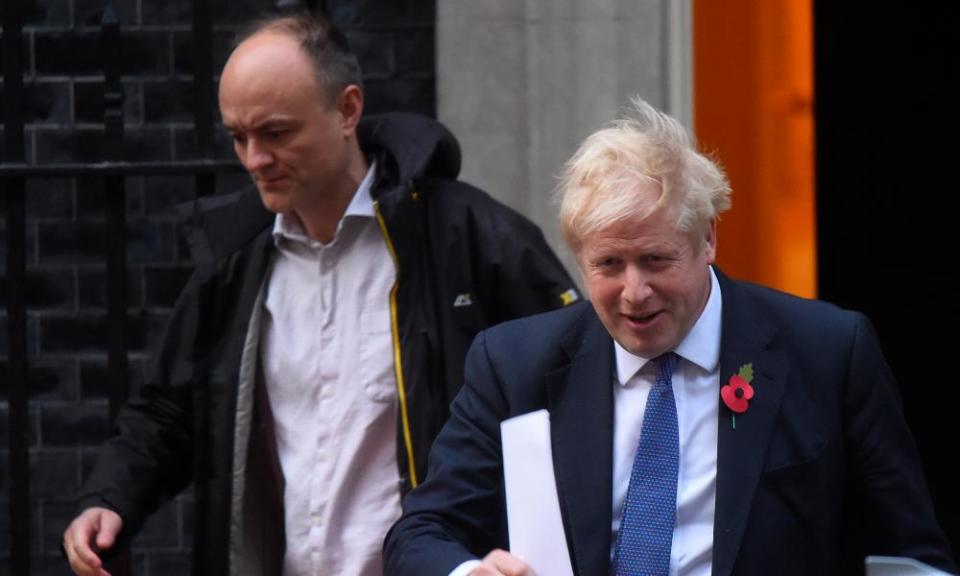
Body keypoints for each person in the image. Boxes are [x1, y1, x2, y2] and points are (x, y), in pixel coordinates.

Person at [61, 12, 578, 576]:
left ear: (347, 109)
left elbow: (577, 392)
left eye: (276, 133)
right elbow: (169, 410)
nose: (254, 158)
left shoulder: (468, 236)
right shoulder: (234, 259)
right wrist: (109, 498)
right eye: (239, 137)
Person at [383, 97, 958, 576]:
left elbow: (907, 553)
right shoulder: (513, 364)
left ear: (707, 238)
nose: (634, 292)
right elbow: (421, 533)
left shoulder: (829, 352)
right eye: (608, 265)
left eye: (656, 260)